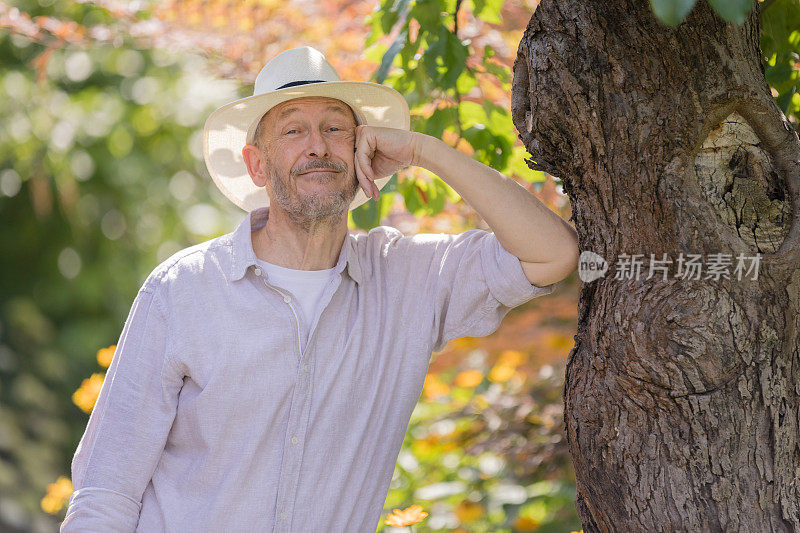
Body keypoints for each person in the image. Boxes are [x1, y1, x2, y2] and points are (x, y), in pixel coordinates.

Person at [61, 46, 579, 532]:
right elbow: (106, 490)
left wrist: (424, 150)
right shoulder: (184, 289)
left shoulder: (409, 279)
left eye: (336, 129)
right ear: (256, 164)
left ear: (361, 151)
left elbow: (552, 252)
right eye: (293, 131)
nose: (317, 146)